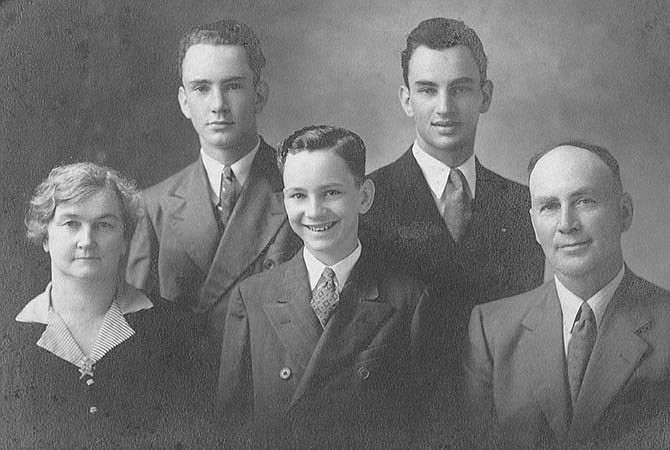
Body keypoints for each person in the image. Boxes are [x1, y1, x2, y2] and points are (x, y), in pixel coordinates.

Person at [218, 125, 437, 449]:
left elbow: (425, 428)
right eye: (298, 195)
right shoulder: (252, 297)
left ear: (364, 197)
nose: (314, 211)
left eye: (331, 193)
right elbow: (230, 427)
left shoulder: (408, 299)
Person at [362, 18, 544, 373]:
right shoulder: (366, 202)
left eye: (460, 88)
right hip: (396, 416)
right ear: (407, 100)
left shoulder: (525, 205)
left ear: (485, 95)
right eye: (428, 90)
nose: (444, 107)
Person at [463, 142, 670, 448]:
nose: (566, 224)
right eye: (549, 206)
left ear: (624, 213)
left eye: (584, 201)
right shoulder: (491, 330)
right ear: (534, 225)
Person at [125, 19, 300, 353]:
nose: (218, 104)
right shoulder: (153, 205)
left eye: (233, 86)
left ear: (259, 95)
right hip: (184, 387)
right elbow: (138, 326)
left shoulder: (299, 187)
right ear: (183, 101)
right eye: (201, 88)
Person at [1, 163, 204, 448]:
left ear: (124, 239)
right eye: (71, 223)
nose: (87, 240)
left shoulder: (175, 330)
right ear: (45, 237)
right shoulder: (8, 346)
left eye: (104, 225)